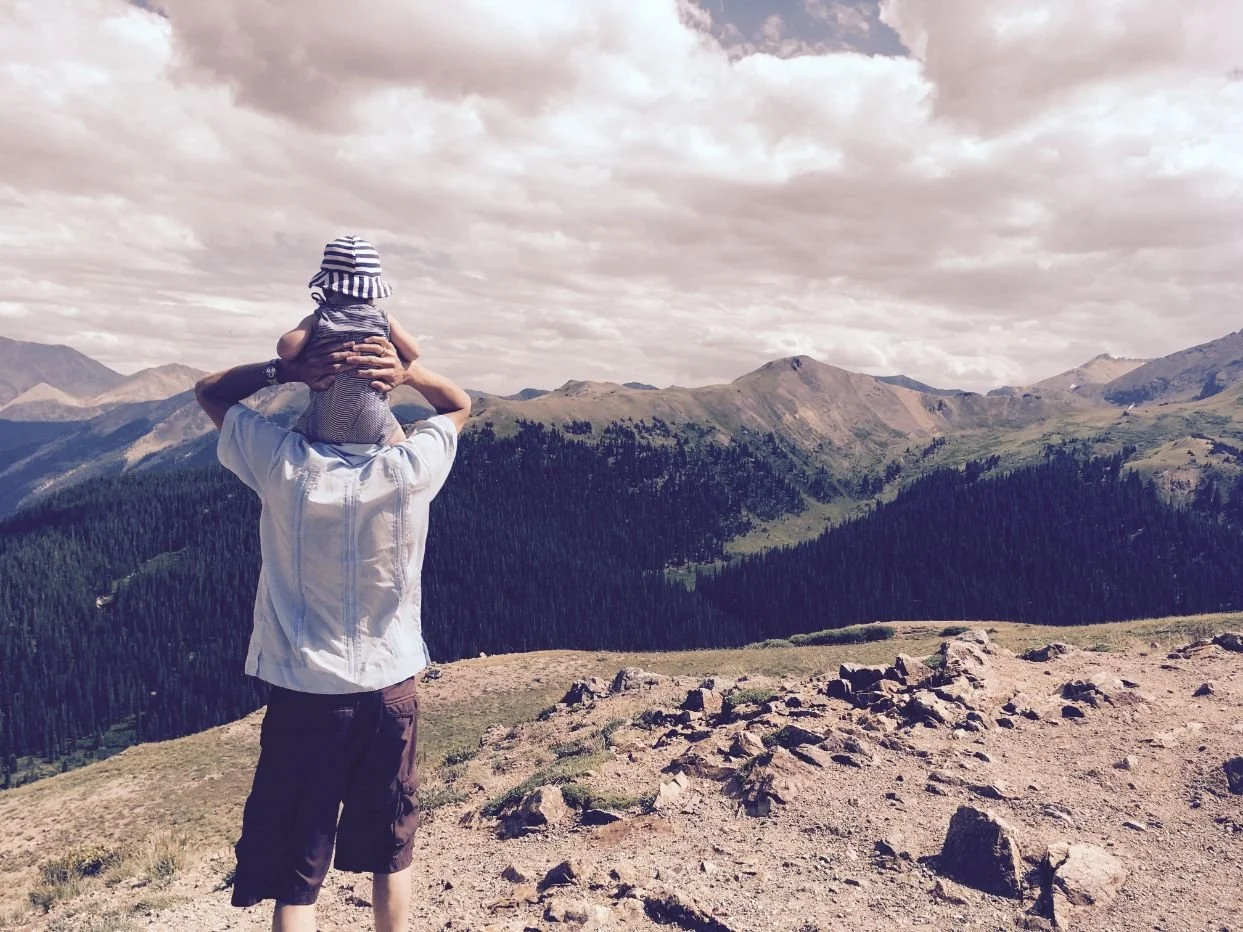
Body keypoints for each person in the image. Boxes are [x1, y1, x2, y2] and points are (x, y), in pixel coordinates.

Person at [194, 335, 471, 932]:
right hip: (389, 690)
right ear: (386, 425)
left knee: (299, 867)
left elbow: (210, 392)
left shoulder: (283, 464)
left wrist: (286, 369)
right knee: (391, 848)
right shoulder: (410, 469)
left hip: (305, 694)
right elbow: (458, 406)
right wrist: (407, 370)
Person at [278, 235, 423, 446]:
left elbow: (285, 349)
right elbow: (413, 352)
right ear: (373, 291)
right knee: (400, 441)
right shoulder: (384, 319)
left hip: (323, 424)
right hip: (374, 424)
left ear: (326, 288)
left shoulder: (320, 319)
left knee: (296, 436)